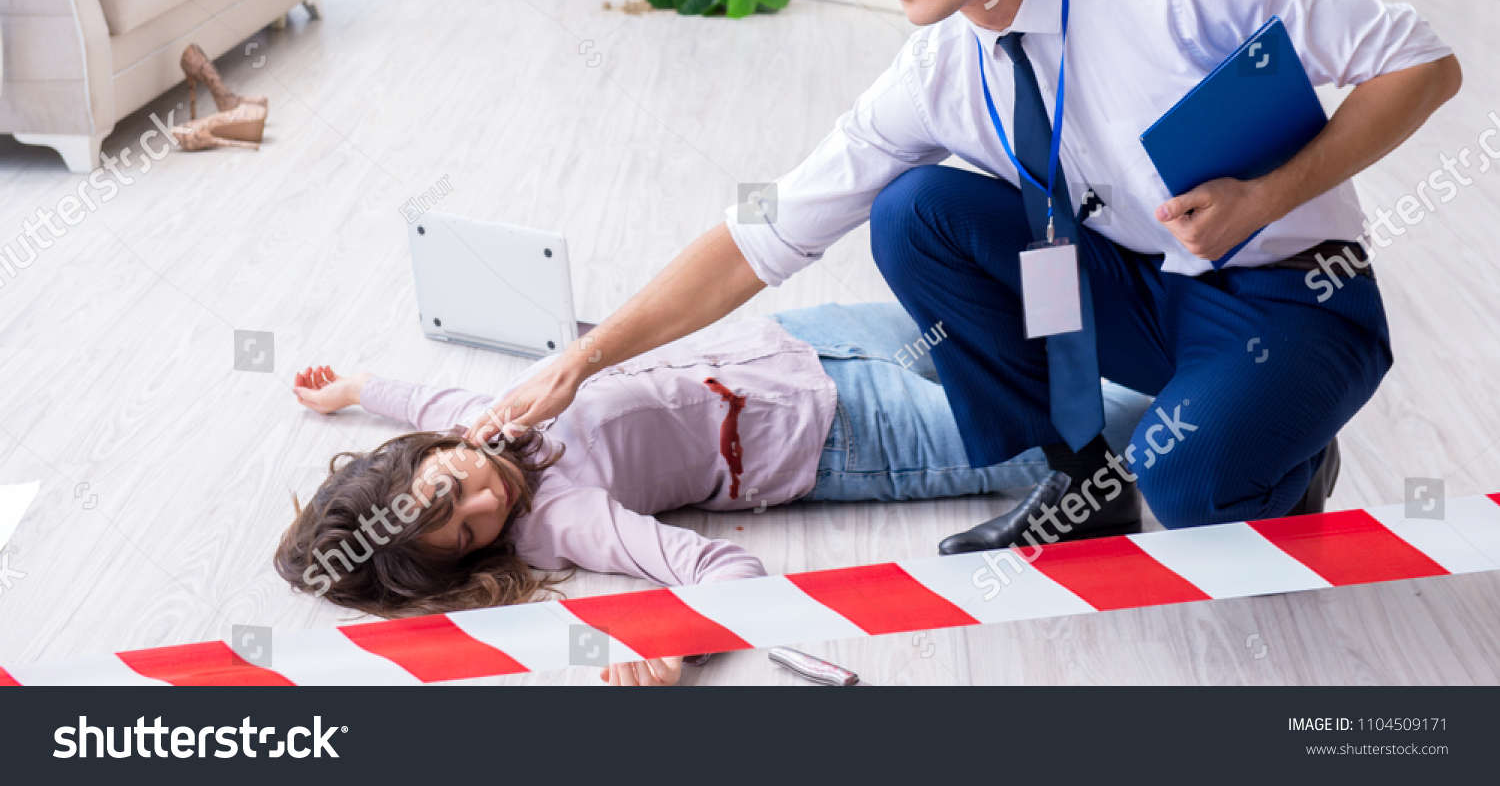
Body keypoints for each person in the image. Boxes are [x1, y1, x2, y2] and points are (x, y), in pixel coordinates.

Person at [467, 0, 1461, 556]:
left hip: (1293, 300)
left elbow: (1424, 61)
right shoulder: (938, 69)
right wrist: (580, 361)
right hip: (1148, 293)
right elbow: (760, 232)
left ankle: (1286, 452)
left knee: (1191, 490)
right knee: (917, 212)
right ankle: (1078, 479)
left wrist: (1267, 196)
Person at [274, 301, 1153, 685]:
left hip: (802, 340)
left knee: (1045, 336)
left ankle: (1232, 335)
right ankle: (1267, 423)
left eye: (448, 484)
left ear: (429, 452)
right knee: (1118, 426)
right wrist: (674, 643)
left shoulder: (476, 425)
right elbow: (727, 570)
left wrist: (350, 386)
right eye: (467, 535)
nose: (483, 501)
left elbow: (417, 400)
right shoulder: (563, 515)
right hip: (844, 434)